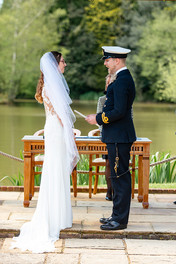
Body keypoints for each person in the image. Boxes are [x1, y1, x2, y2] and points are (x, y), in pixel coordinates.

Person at [11, 51, 79, 253]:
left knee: (56, 169)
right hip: (56, 132)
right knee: (55, 169)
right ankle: (54, 218)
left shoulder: (50, 85)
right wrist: (71, 130)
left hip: (53, 131)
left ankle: (60, 216)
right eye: (63, 61)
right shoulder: (52, 86)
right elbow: (60, 115)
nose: (65, 64)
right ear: (54, 64)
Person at [86, 46, 136, 231]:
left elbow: (119, 111)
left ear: (116, 60)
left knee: (120, 177)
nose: (105, 63)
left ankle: (120, 220)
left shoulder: (122, 81)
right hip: (116, 136)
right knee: (116, 176)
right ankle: (116, 215)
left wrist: (97, 119)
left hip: (119, 136)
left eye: (107, 60)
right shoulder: (120, 79)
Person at [96, 72, 116, 201]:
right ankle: (109, 191)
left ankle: (118, 192)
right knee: (108, 163)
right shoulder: (102, 100)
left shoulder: (122, 98)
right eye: (107, 83)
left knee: (118, 165)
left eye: (110, 83)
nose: (108, 85)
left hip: (120, 136)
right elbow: (99, 118)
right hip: (107, 136)